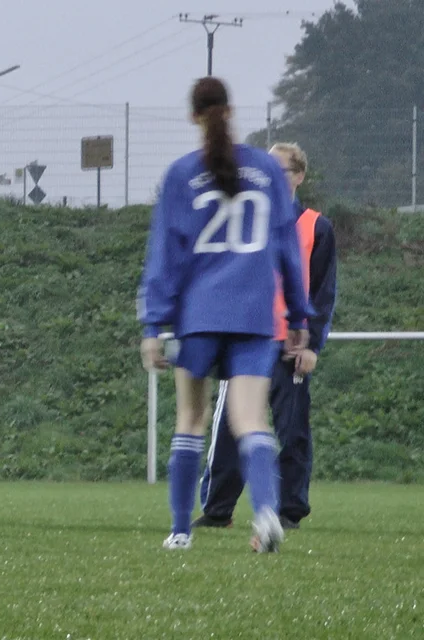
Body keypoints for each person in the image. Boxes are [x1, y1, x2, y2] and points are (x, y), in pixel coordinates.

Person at [137, 77, 313, 552]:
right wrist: (299, 316)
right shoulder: (267, 170)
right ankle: (267, 514)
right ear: (230, 111)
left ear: (196, 116)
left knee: (190, 419)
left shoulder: (181, 174)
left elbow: (164, 257)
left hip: (199, 313)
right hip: (256, 315)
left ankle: (178, 531)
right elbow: (286, 249)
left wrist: (153, 324)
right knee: (252, 420)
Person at [194, 143, 337, 531]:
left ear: (299, 176)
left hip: (290, 347)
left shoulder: (315, 227)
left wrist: (312, 345)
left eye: (281, 170)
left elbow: (323, 294)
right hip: (246, 341)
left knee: (292, 433)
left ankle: (290, 511)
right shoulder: (243, 222)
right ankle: (218, 509)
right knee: (228, 430)